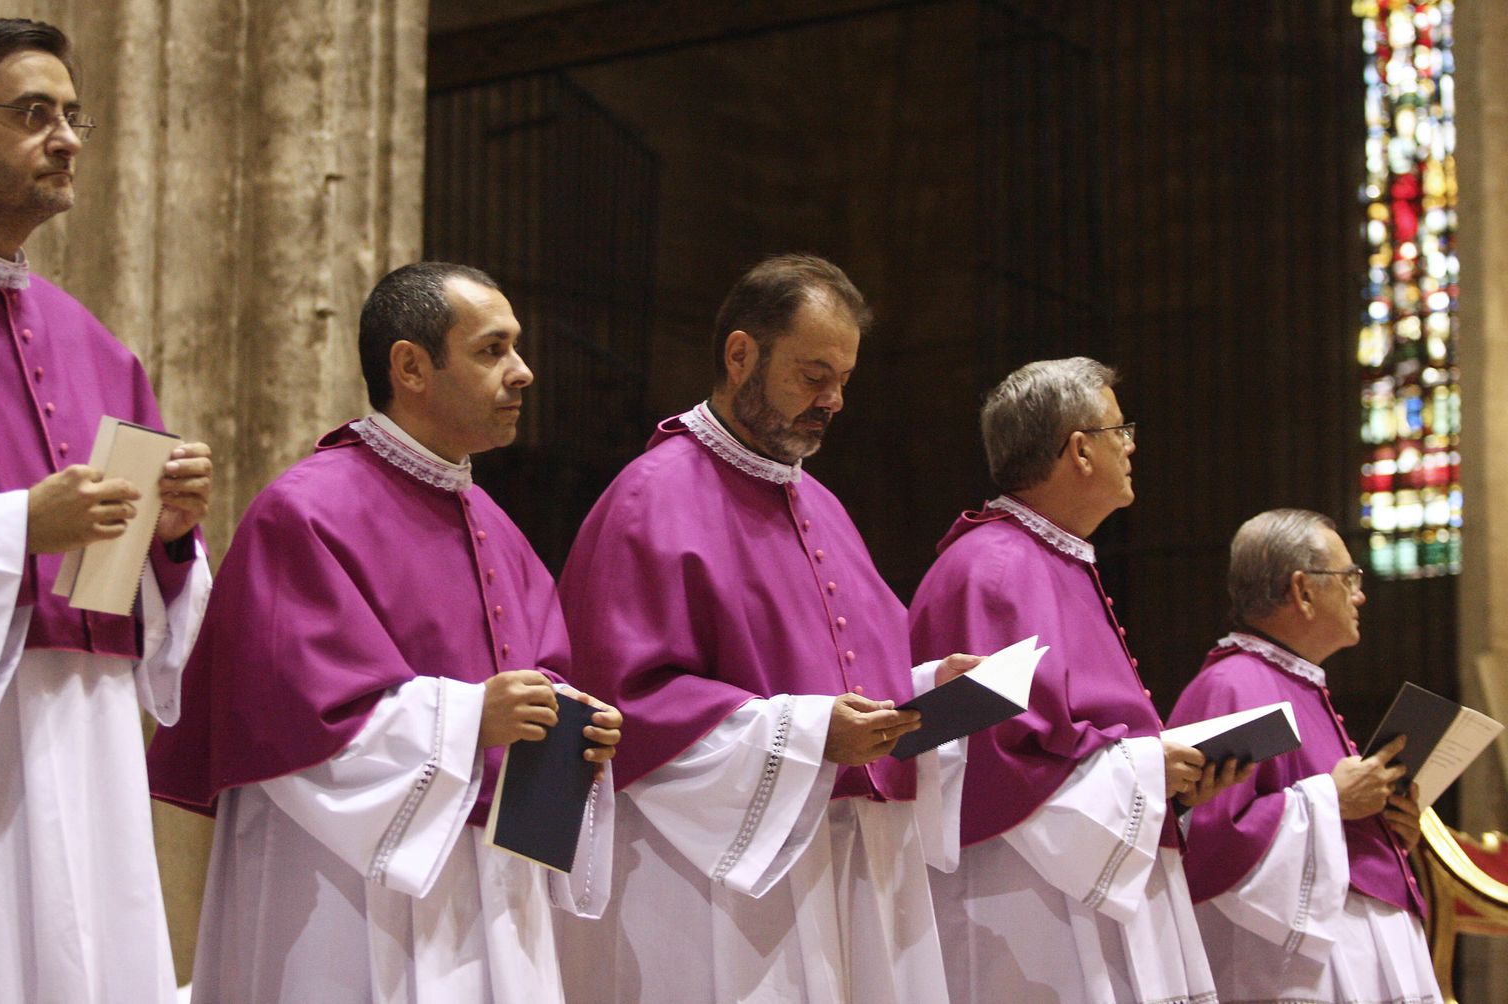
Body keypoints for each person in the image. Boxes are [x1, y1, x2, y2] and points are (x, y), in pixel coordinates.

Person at [147, 262, 622, 1003]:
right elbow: (289, 719)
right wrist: (471, 718)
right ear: (411, 367)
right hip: (342, 889)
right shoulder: (305, 513)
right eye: (492, 350)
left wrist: (571, 727)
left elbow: (539, 677)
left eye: (516, 347)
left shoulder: (496, 528)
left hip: (485, 886)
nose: (523, 371)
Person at [555, 253, 977, 1004]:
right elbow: (627, 704)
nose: (833, 400)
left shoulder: (822, 505)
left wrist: (924, 688)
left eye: (843, 379)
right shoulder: (652, 497)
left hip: (846, 859)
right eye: (814, 375)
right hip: (717, 875)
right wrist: (811, 735)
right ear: (741, 355)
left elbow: (840, 671)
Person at [0, 16, 214, 1003]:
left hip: (90, 735)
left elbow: (141, 601)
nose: (67, 139)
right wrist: (14, 531)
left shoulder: (96, 345)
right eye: (34, 113)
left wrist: (169, 540)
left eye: (74, 116)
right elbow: (22, 533)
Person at [908, 357, 1241, 1003]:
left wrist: (1168, 778)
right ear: (1081, 450)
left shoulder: (1047, 557)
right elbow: (997, 761)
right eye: (1121, 430)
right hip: (1030, 907)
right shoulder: (994, 569)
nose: (1131, 446)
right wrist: (1148, 768)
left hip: (1085, 883)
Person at [1166, 509, 1442, 1002]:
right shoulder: (1232, 686)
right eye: (1348, 577)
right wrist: (1332, 800)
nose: (1360, 594)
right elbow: (1207, 843)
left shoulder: (1294, 681)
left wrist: (1386, 821)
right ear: (1303, 590)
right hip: (1293, 969)